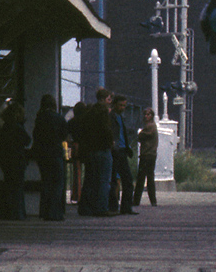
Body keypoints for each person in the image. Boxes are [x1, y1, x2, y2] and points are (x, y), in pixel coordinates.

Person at [77, 87, 116, 216]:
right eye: (109, 99)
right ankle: (101, 208)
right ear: (104, 99)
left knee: (90, 179)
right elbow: (106, 130)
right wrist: (111, 141)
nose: (110, 102)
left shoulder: (89, 112)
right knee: (104, 180)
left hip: (90, 150)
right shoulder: (103, 112)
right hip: (102, 149)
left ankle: (85, 207)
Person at [31, 94, 69, 221]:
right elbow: (64, 135)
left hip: (42, 154)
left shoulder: (39, 118)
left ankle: (45, 211)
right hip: (55, 153)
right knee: (58, 183)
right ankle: (55, 212)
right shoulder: (59, 118)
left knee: (46, 182)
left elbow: (36, 135)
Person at [0, 101, 30, 220]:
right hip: (17, 160)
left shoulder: (5, 127)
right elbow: (27, 140)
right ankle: (16, 213)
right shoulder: (17, 127)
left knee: (8, 185)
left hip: (6, 160)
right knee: (17, 187)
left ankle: (2, 212)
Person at [110, 94, 137, 215]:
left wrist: (127, 147)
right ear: (115, 104)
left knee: (127, 179)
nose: (122, 108)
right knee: (115, 179)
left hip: (122, 150)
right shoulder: (111, 117)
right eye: (120, 105)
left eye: (124, 106)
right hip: (115, 150)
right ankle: (114, 206)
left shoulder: (120, 117)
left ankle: (125, 207)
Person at [132, 107, 159, 207]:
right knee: (149, 178)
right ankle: (153, 201)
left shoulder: (150, 127)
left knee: (141, 179)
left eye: (148, 114)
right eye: (145, 114)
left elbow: (140, 136)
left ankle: (136, 200)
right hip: (151, 155)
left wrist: (140, 133)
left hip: (147, 155)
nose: (146, 116)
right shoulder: (151, 126)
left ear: (151, 116)